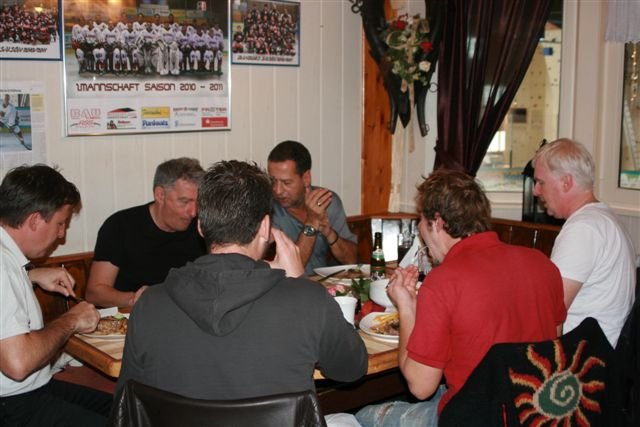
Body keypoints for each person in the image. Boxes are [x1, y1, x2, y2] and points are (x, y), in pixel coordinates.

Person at [117, 160, 367, 425]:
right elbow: (351, 369)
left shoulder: (149, 304)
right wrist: (300, 282)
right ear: (264, 228)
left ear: (201, 225)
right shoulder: (307, 300)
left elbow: (127, 405)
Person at [356, 170, 566, 427]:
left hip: (476, 418)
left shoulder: (444, 281)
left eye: (420, 220)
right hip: (538, 414)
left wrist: (407, 307)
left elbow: (420, 386)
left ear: (437, 222)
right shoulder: (542, 263)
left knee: (362, 417)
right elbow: (555, 342)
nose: (420, 228)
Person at [0, 164, 112, 426]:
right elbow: (18, 364)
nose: (61, 235)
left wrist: (32, 276)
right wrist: (71, 319)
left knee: (124, 409)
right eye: (61, 223)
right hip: (14, 406)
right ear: (35, 220)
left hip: (34, 390)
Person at [533, 138, 636, 346]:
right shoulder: (604, 219)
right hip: (602, 355)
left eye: (541, 182)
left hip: (584, 364)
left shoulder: (583, 229)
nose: (536, 191)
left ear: (566, 182)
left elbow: (551, 314)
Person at [85, 157, 206, 308]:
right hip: (132, 317)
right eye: (184, 202)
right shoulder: (120, 226)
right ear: (160, 195)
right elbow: (95, 293)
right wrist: (137, 298)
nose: (193, 212)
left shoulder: (203, 226)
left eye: (197, 202)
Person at [267, 140, 358, 275]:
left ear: (306, 178)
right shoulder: (268, 209)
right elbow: (290, 272)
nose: (278, 190)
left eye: (286, 182)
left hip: (323, 285)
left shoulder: (327, 201)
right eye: (273, 181)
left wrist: (329, 233)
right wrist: (312, 222)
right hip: (287, 289)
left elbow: (352, 260)